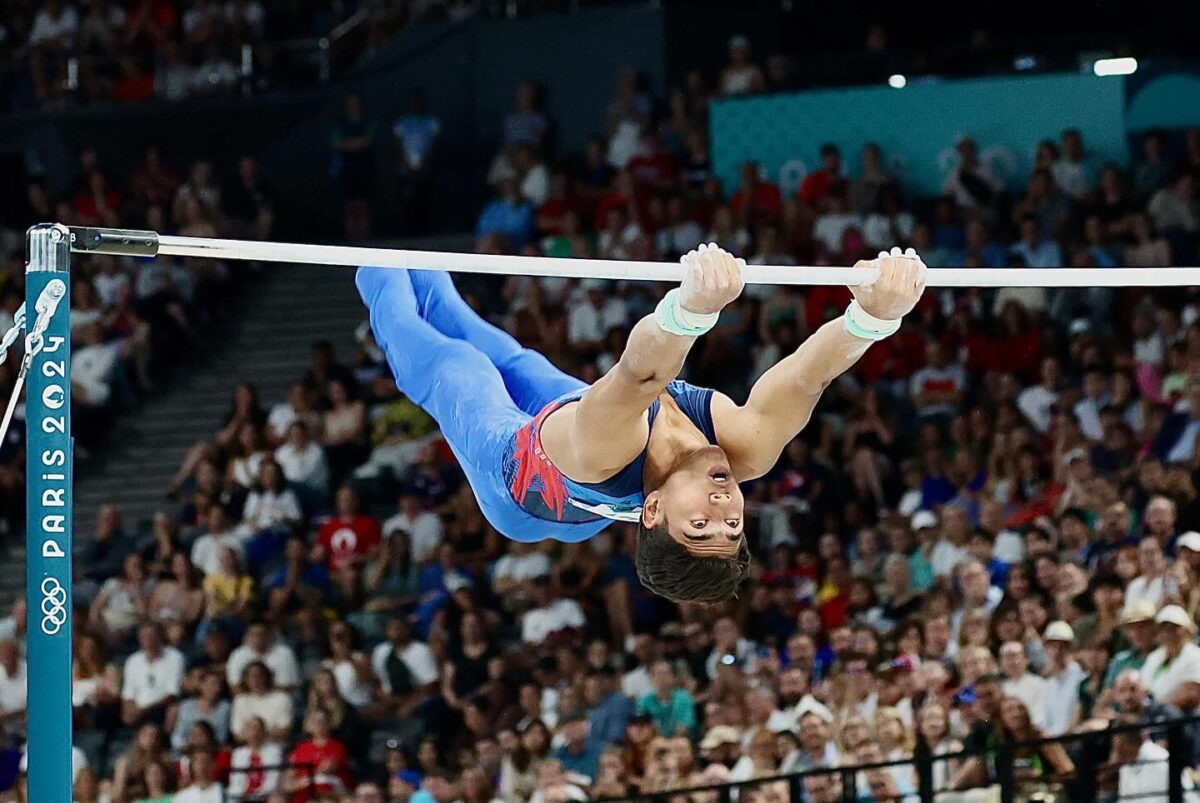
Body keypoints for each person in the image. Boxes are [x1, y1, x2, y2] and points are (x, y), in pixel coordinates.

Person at [357, 245, 926, 603]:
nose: (725, 513)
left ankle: (368, 255)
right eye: (731, 530)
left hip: (518, 487)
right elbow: (807, 379)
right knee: (511, 358)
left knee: (459, 365)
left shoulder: (609, 449)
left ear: (652, 511)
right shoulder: (744, 451)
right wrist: (873, 317)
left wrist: (692, 310)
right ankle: (415, 250)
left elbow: (639, 372)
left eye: (700, 526)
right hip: (578, 480)